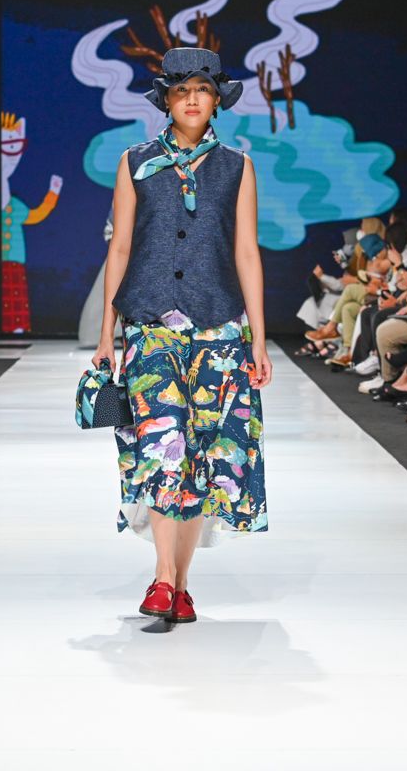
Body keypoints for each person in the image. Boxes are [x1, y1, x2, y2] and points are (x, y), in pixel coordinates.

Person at [93, 47, 271, 625]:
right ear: (166, 100)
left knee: (201, 458)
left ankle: (181, 583)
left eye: (202, 90)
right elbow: (121, 248)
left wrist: (258, 338)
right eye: (181, 90)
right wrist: (106, 335)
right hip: (150, 329)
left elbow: (246, 252)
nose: (192, 99)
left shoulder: (238, 167)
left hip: (219, 329)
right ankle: (163, 577)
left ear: (216, 100)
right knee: (160, 449)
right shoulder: (135, 162)